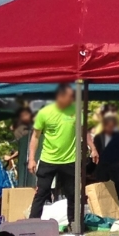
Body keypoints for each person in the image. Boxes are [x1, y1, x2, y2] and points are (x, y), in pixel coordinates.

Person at [28, 84, 80, 218]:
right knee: (41, 193)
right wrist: (31, 159)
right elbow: (35, 137)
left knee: (73, 194)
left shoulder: (76, 110)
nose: (72, 99)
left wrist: (93, 148)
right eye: (69, 97)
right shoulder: (44, 113)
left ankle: (73, 224)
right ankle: (33, 223)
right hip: (48, 159)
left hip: (70, 160)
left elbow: (83, 131)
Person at [89, 108, 119, 199]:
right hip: (103, 167)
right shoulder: (98, 136)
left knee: (118, 190)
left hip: (116, 166)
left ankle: (117, 207)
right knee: (103, 190)